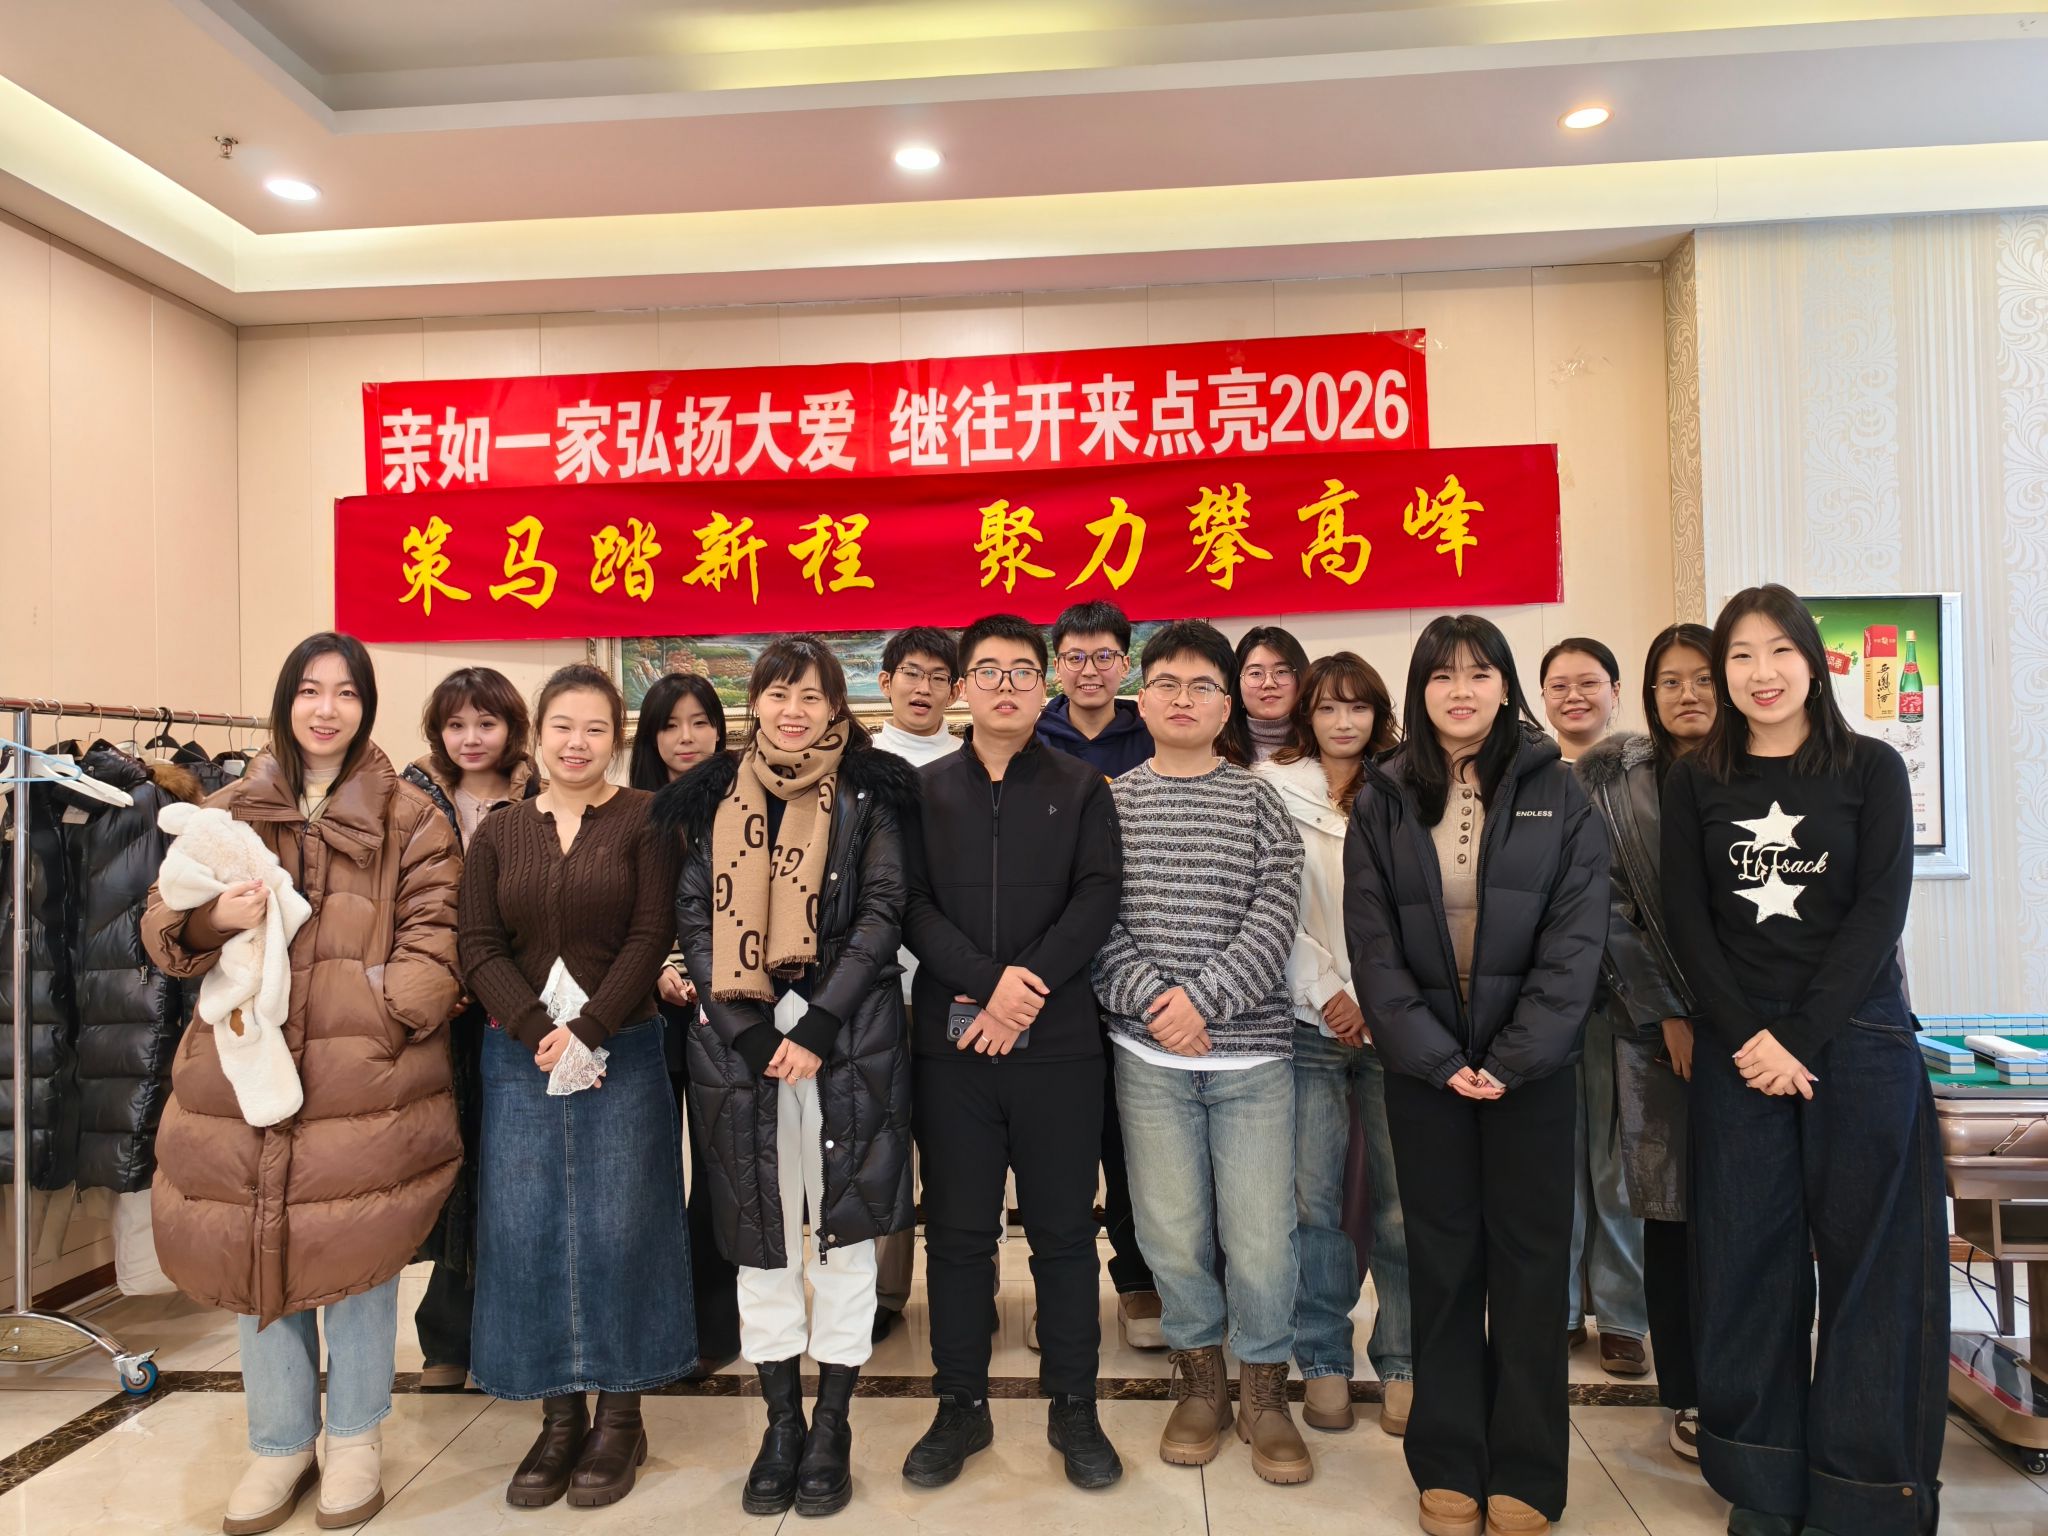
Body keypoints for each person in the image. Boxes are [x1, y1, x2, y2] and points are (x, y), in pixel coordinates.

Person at [142, 633, 462, 1534]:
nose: (327, 709)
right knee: (257, 1246)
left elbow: (437, 934)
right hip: (244, 1067)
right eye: (310, 690)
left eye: (346, 692)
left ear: (367, 705)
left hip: (362, 1074)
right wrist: (211, 919)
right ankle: (279, 1442)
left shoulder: (412, 816)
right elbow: (161, 926)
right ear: (287, 700)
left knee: (357, 1248)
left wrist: (383, 1018)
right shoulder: (227, 809)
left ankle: (356, 1436)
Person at [1661, 585, 1943, 1536]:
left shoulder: (1871, 768)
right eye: (1741, 656)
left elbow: (1879, 911)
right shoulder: (1696, 780)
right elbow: (1687, 920)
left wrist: (1802, 1037)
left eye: (1779, 651)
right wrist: (1750, 1036)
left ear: (1813, 664)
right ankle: (1764, 1481)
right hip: (1740, 1046)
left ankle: (1864, 1491)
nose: (1762, 672)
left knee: (1874, 1268)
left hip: (1856, 1040)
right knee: (1747, 1265)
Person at [1344, 614, 1609, 1536]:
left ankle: (1528, 1468)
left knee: (1531, 1269)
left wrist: (1511, 1057)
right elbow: (1371, 944)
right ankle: (1449, 1457)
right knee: (1442, 1263)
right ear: (1419, 690)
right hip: (1426, 1075)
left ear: (1505, 685)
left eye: (1479, 673)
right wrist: (1436, 1058)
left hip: (1531, 1074)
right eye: (1441, 675)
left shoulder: (1559, 790)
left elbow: (1577, 940)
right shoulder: (1384, 796)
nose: (1461, 690)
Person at [658, 636, 918, 1520]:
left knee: (844, 1231)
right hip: (740, 1048)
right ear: (756, 704)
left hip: (849, 1040)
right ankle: (780, 1424)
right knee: (761, 1234)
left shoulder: (873, 792)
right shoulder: (709, 796)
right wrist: (746, 1031)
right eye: (779, 694)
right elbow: (694, 915)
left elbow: (883, 911)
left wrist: (818, 1024)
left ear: (837, 707)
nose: (794, 711)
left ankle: (832, 1423)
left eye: (812, 696)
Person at [460, 664, 693, 1511]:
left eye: (595, 728)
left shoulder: (646, 818)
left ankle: (621, 1416)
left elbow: (651, 931)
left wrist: (589, 1028)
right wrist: (536, 1030)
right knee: (526, 1232)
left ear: (616, 738)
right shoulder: (499, 831)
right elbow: (477, 944)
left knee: (623, 1229)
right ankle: (558, 1418)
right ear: (539, 732)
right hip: (519, 1058)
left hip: (621, 1049)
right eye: (562, 725)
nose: (577, 743)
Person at [901, 613, 1125, 1491]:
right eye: (987, 671)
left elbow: (1097, 899)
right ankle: (960, 1404)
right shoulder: (922, 791)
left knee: (1064, 1234)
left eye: (1023, 671)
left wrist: (1022, 990)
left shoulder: (1082, 787)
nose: (1005, 685)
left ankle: (1075, 1403)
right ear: (962, 687)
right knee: (958, 1234)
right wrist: (988, 983)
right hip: (952, 1048)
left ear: (1046, 685)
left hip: (1059, 1047)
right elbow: (912, 905)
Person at [1093, 619, 1312, 1486]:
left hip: (1251, 1060)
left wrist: (1203, 1003)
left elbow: (1276, 914)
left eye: (1203, 687)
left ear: (1227, 707)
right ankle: (1199, 1382)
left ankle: (1264, 1388)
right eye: (1167, 684)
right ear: (1141, 701)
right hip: (1148, 1058)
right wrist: (1159, 1007)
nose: (1184, 700)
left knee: (1260, 1237)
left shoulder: (1260, 801)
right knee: (1171, 1231)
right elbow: (1095, 924)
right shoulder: (1110, 804)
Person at [1253, 653, 1413, 1438]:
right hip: (1308, 1019)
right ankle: (1321, 1356)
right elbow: (1270, 907)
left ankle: (1404, 1361)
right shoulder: (1271, 789)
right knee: (1312, 1202)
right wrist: (1328, 991)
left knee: (1402, 1204)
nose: (1343, 721)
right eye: (1327, 707)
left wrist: (1381, 998)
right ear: (1305, 715)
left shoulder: (1411, 788)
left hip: (1399, 1023)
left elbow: (1427, 908)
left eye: (1358, 707)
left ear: (1378, 714)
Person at [1573, 623, 1715, 1463]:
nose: (1688, 694)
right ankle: (1689, 1388)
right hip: (1656, 1030)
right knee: (1667, 1205)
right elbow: (1611, 905)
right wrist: (1666, 1011)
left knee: (1755, 1210)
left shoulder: (1766, 771)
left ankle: (1757, 1382)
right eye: (1672, 680)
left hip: (1764, 1029)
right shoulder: (1617, 781)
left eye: (1703, 677)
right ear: (1650, 695)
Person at [402, 666, 541, 1394]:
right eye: (456, 725)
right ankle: (447, 1337)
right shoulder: (410, 798)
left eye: (486, 723)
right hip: (436, 1014)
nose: (471, 738)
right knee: (448, 1171)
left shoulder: (541, 795)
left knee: (511, 1173)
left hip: (517, 1007)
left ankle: (511, 1333)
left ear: (511, 728)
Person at [1034, 598, 1162, 1349]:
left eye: (1105, 656)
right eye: (1075, 657)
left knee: (1133, 1133)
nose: (1090, 670)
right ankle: (1062, 1288)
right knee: (1060, 1140)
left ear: (1126, 663)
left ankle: (1140, 1279)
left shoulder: (1152, 732)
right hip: (1056, 962)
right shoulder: (1030, 734)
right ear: (1058, 666)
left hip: (1142, 954)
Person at [627, 671, 743, 1374]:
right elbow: (621, 912)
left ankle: (713, 1329)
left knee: (718, 1172)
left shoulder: (744, 801)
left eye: (700, 722)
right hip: (645, 1013)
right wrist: (655, 971)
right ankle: (653, 1322)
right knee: (649, 1174)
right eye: (670, 725)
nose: (686, 738)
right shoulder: (631, 811)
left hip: (725, 1010)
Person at [1539, 636, 1647, 1378]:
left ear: (1614, 689)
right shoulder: (1526, 774)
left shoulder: (1646, 775)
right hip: (1544, 996)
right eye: (1559, 685)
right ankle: (1557, 1308)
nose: (1574, 696)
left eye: (1588, 683)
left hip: (1626, 994)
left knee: (1618, 1161)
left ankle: (1623, 1315)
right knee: (1551, 1160)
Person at [867, 626, 963, 1343]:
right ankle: (882, 1292)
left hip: (954, 986)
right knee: (880, 1142)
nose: (923, 688)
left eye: (937, 676)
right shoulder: (857, 765)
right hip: (874, 989)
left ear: (955, 689)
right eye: (911, 673)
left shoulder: (974, 763)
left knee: (960, 1144)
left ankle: (967, 1287)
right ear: (886, 682)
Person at [1223, 624, 1310, 766]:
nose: (1269, 683)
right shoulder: (1213, 755)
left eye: (1281, 671)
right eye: (1256, 673)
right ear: (1237, 684)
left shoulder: (1323, 749)